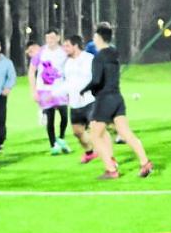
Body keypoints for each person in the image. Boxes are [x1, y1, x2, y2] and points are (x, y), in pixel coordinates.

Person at [82, 26, 152, 179]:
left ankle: (111, 169)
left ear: (99, 38)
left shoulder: (99, 57)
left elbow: (96, 80)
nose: (93, 40)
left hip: (105, 99)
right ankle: (145, 162)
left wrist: (84, 90)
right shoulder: (115, 56)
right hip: (117, 98)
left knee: (95, 135)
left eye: (95, 37)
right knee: (126, 133)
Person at [29, 30, 71, 155]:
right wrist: (33, 90)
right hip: (45, 90)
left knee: (64, 115)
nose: (50, 40)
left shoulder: (64, 52)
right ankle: (53, 144)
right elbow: (32, 71)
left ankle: (62, 138)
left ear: (58, 38)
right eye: (47, 38)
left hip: (60, 88)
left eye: (52, 37)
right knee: (50, 117)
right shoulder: (41, 52)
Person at [60, 34, 99, 164]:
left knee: (97, 132)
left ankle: (109, 157)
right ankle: (90, 152)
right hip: (75, 103)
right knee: (77, 132)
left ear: (75, 46)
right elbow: (67, 81)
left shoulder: (89, 59)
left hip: (90, 101)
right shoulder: (67, 63)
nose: (64, 48)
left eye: (67, 46)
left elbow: (97, 77)